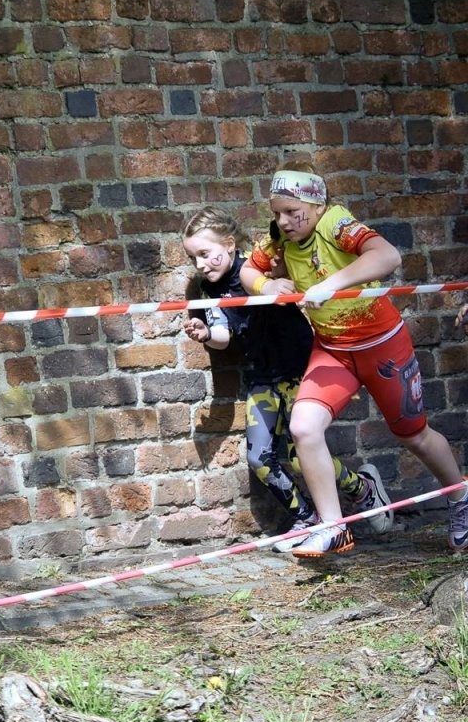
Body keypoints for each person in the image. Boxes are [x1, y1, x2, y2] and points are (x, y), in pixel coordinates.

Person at [242, 163, 468, 557]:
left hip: (382, 346)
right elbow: (247, 269)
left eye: (291, 212)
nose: (282, 221)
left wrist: (331, 284)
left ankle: (460, 498)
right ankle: (334, 528)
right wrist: (268, 283)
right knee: (304, 428)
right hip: (332, 350)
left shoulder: (336, 223)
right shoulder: (280, 236)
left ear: (315, 205)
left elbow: (387, 255)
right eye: (276, 213)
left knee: (414, 435)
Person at [180, 207, 388, 554]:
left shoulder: (256, 268)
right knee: (260, 459)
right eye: (193, 257)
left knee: (295, 456)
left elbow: (290, 280)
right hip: (262, 376)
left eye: (205, 253)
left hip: (296, 367)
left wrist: (276, 277)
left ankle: (359, 488)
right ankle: (306, 517)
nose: (201, 264)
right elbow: (225, 335)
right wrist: (204, 333)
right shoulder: (205, 290)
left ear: (229, 244)